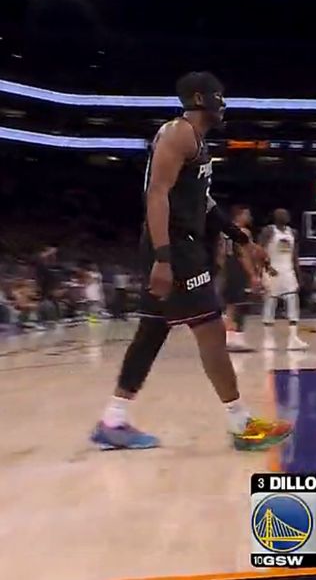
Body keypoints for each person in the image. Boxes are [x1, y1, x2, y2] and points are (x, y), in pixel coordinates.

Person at [90, 71, 292, 450]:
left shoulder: (196, 141)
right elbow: (156, 195)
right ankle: (241, 424)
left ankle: (113, 419)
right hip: (176, 250)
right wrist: (163, 258)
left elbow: (205, 204)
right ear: (200, 98)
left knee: (151, 332)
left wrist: (242, 239)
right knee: (211, 330)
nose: (224, 103)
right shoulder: (178, 133)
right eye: (219, 96)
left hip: (178, 246)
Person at [260, 208, 308, 351]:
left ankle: (293, 338)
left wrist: (298, 274)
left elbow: (294, 255)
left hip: (288, 271)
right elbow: (259, 250)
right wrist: (266, 267)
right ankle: (268, 339)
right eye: (281, 214)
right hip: (272, 270)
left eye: (286, 214)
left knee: (293, 301)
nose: (285, 216)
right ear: (275, 217)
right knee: (270, 303)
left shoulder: (292, 232)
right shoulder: (269, 231)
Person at [223, 205, 258, 352]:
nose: (249, 217)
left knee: (230, 305)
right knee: (240, 304)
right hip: (239, 269)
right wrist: (253, 275)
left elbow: (220, 253)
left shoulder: (224, 232)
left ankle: (228, 338)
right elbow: (244, 255)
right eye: (246, 214)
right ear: (239, 215)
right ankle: (236, 339)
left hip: (227, 267)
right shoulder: (243, 232)